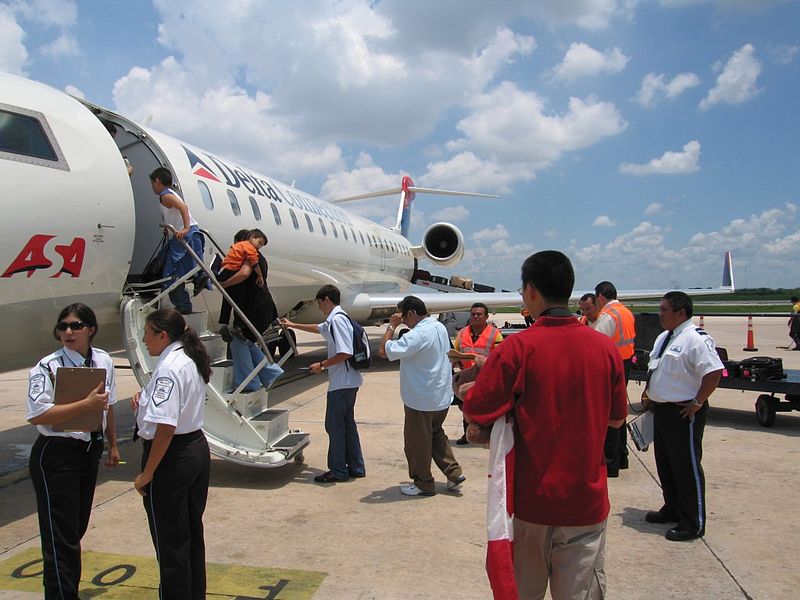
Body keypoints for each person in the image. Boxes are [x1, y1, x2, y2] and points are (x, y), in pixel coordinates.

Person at [463, 251, 627, 599]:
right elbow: (616, 417)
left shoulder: (517, 348)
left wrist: (473, 380)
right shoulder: (604, 348)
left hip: (531, 506)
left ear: (532, 291)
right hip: (585, 503)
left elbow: (478, 408)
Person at [27, 303, 120, 599]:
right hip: (57, 453)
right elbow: (38, 415)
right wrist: (85, 405)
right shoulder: (47, 367)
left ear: (91, 329)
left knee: (74, 529)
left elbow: (108, 406)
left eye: (76, 326)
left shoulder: (103, 360)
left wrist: (113, 443)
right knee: (60, 537)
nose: (68, 331)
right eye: (63, 326)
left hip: (88, 450)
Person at [132, 308, 211, 598]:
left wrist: (147, 474)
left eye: (147, 332)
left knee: (171, 543)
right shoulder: (188, 357)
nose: (143, 338)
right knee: (190, 535)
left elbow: (165, 428)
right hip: (194, 448)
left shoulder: (168, 368)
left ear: (162, 335)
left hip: (172, 457)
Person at [642, 291, 723, 542]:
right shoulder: (665, 337)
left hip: (683, 412)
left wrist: (697, 402)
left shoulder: (696, 339)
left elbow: (714, 372)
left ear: (681, 313)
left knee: (686, 466)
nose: (660, 314)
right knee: (665, 463)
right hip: (662, 411)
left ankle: (693, 522)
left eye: (665, 310)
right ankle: (673, 507)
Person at [379, 296, 466, 496]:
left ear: (410, 313)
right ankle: (454, 473)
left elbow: (384, 351)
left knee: (416, 443)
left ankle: (423, 483)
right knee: (436, 434)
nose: (401, 320)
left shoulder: (416, 335)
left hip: (421, 400)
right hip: (440, 397)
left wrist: (391, 327)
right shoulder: (438, 327)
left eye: (402, 316)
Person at [281, 285, 366, 483]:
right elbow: (319, 328)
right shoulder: (338, 318)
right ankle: (356, 467)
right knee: (347, 425)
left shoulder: (337, 320)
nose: (319, 307)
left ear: (327, 300)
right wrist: (292, 325)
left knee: (334, 426)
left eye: (319, 303)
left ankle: (338, 470)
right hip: (349, 381)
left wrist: (321, 365)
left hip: (342, 383)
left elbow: (346, 352)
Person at [149, 167, 210, 314]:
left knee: (172, 275)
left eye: (152, 183)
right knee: (182, 270)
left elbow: (183, 207)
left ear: (157, 181)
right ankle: (199, 278)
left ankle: (184, 305)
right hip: (189, 235)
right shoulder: (170, 194)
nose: (152, 187)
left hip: (186, 236)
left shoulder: (165, 195)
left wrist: (185, 228)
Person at [594, 281, 636, 477]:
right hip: (625, 364)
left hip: (610, 367)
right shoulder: (626, 312)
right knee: (620, 412)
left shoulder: (607, 315)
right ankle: (622, 456)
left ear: (601, 296)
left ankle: (610, 463)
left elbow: (596, 344)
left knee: (609, 415)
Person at [452, 302, 503, 444]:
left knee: (485, 408)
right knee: (465, 408)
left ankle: (487, 436)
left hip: (484, 379)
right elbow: (456, 351)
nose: (476, 317)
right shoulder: (462, 333)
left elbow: (501, 356)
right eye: (473, 314)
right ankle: (467, 435)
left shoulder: (494, 334)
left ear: (486, 316)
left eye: (479, 314)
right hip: (467, 377)